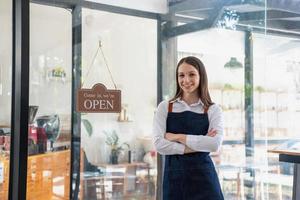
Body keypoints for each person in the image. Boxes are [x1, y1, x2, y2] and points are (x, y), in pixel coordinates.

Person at [153, 56, 224, 200]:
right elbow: (159, 145)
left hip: (205, 179)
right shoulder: (165, 107)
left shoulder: (212, 109)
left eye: (191, 74)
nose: (186, 80)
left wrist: (177, 137)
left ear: (201, 76)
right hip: (174, 180)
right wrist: (197, 145)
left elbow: (214, 144)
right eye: (181, 75)